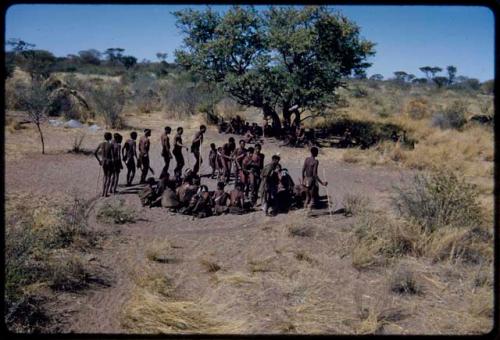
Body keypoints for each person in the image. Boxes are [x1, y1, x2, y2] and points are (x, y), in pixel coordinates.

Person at [94, 132, 114, 197]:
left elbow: (95, 153)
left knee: (105, 176)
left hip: (103, 162)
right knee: (108, 177)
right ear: (110, 137)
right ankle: (105, 193)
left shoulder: (101, 144)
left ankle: (103, 192)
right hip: (109, 162)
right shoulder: (111, 145)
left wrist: (99, 161)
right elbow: (112, 156)